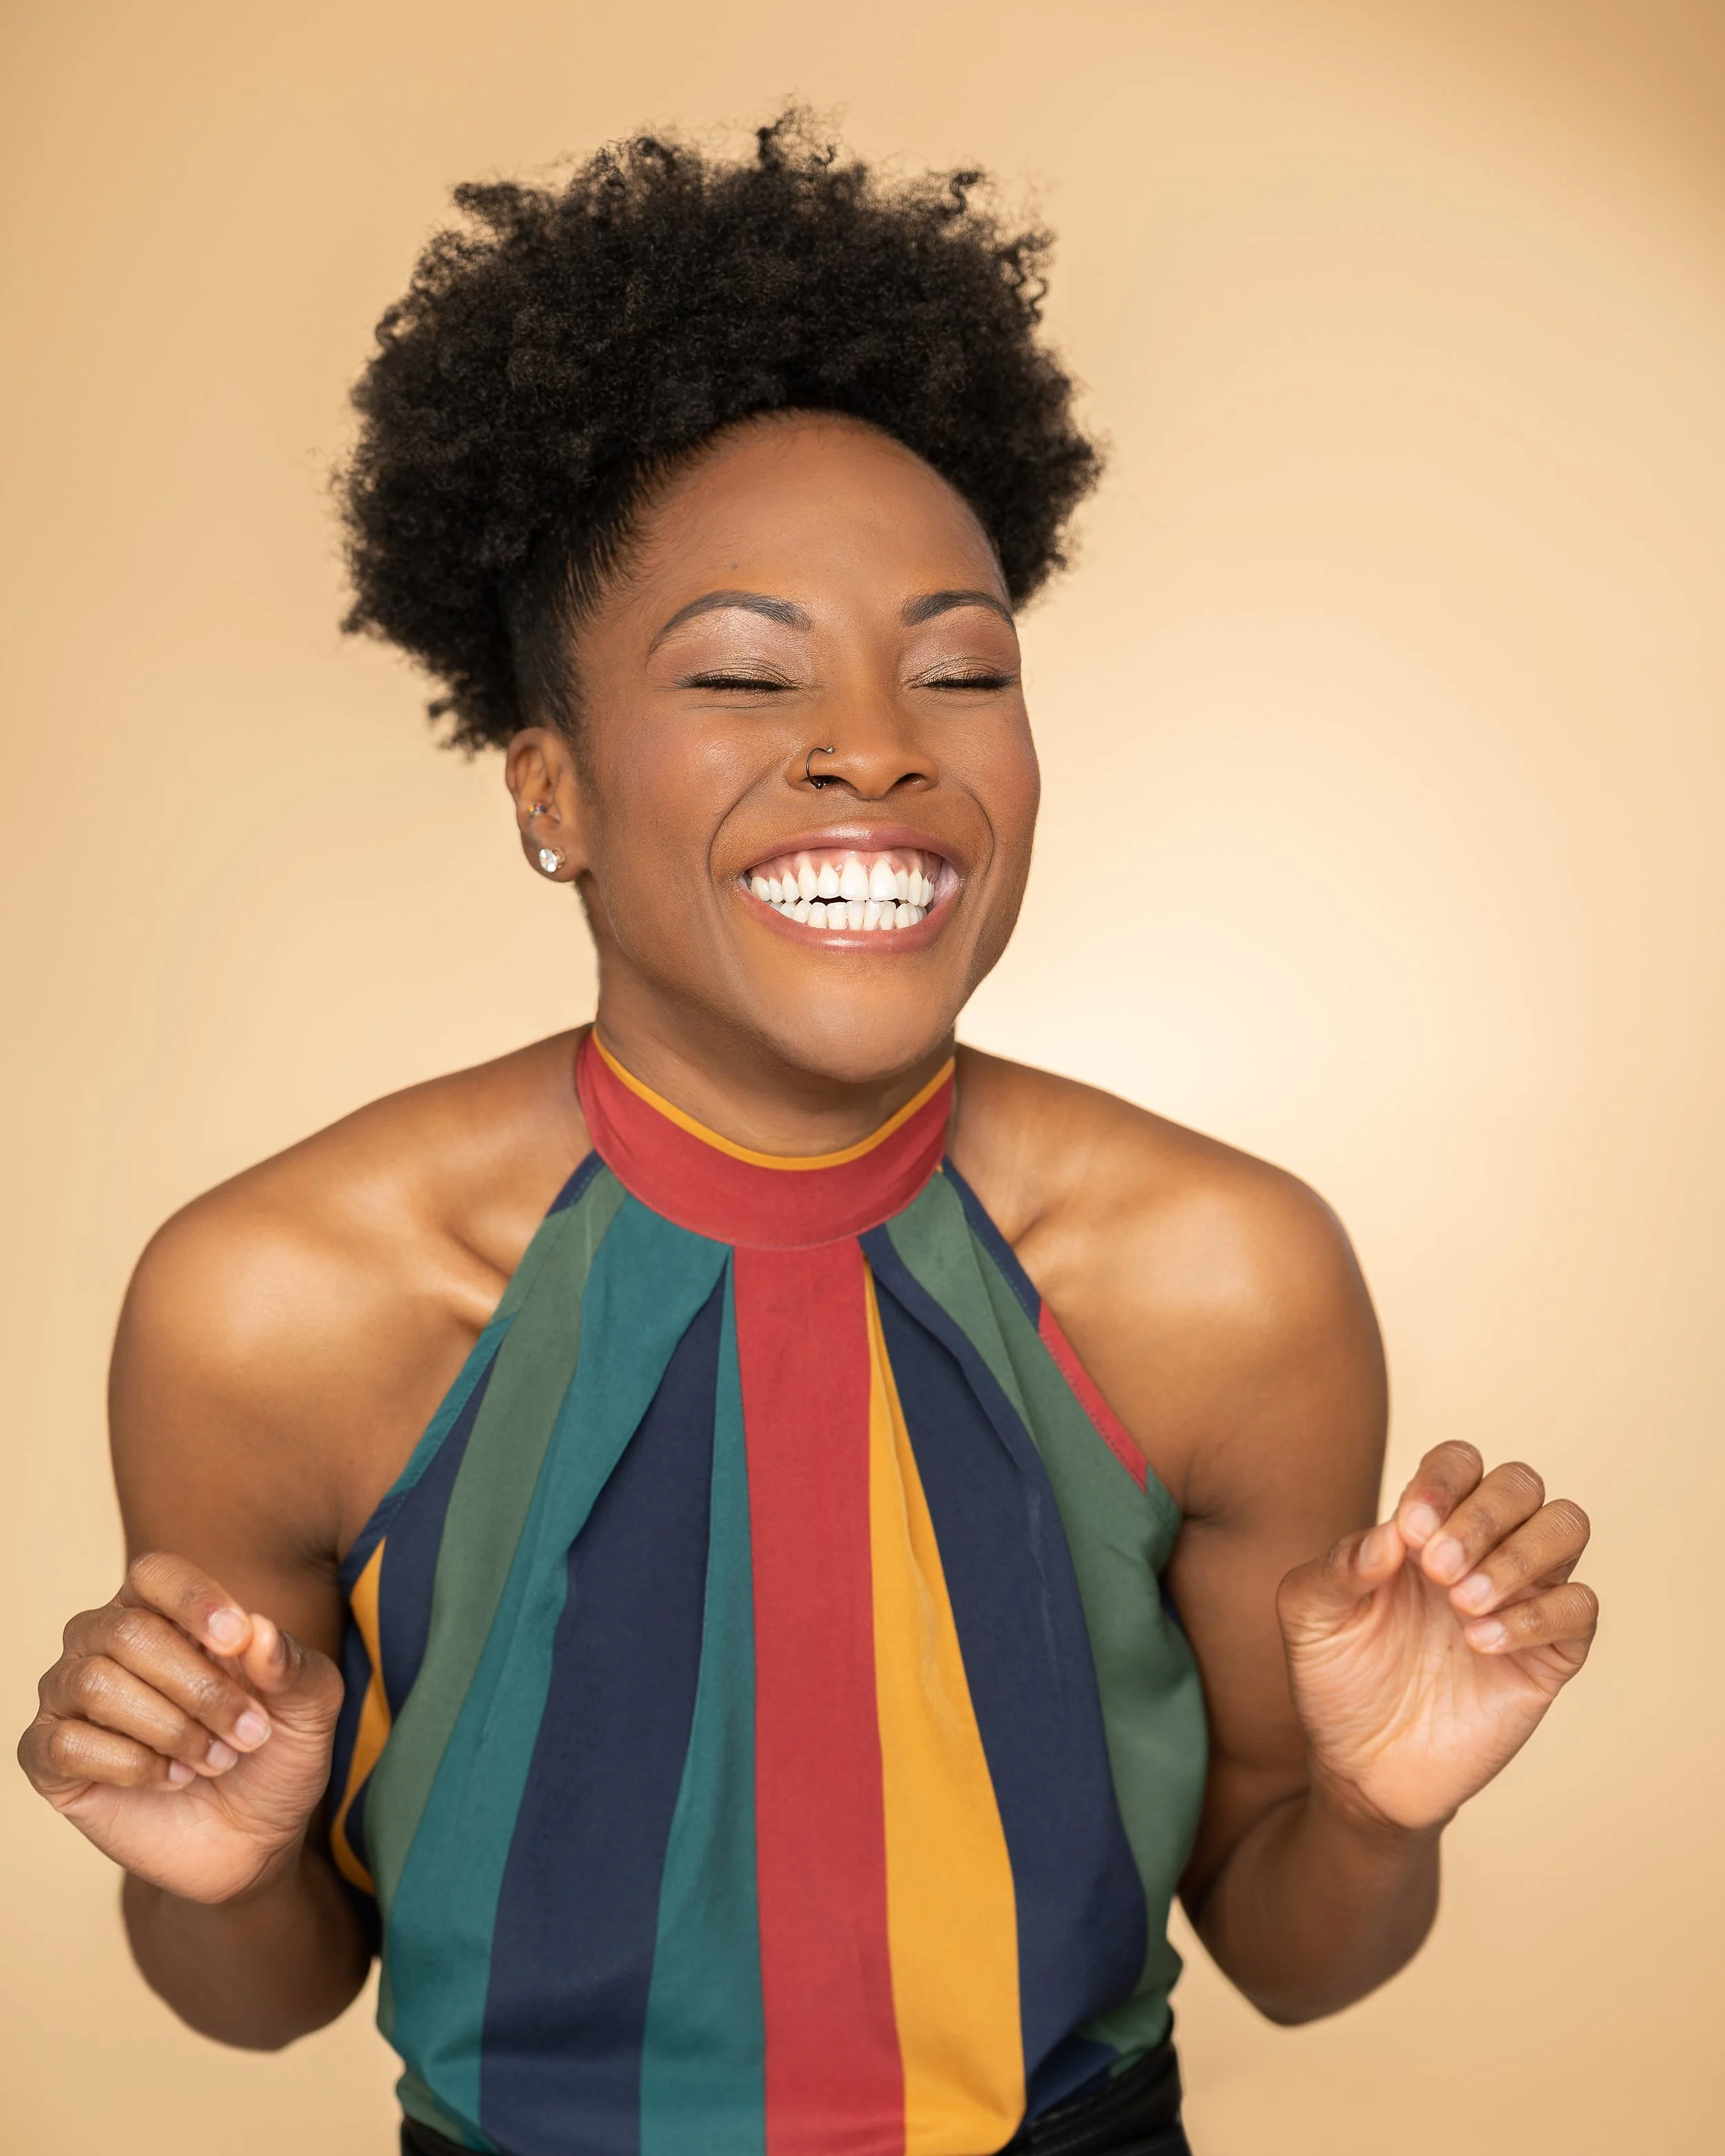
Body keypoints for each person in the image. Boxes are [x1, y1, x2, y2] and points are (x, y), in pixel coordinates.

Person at [17, 115, 1597, 2156]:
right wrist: (204, 1866)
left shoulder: (1219, 1273)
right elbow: (265, 2000)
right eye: (746, 675)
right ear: (548, 788)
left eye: (961, 665)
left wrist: (1373, 1810)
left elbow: (1291, 1947)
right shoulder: (274, 1302)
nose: (877, 745)